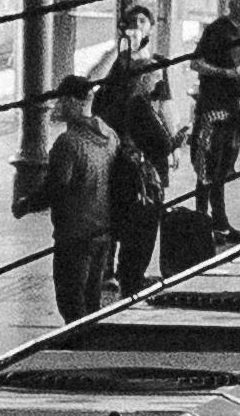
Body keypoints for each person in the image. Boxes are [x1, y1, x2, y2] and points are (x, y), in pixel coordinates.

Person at [35, 75, 117, 326]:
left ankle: (76, 351)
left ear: (72, 102)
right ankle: (90, 351)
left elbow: (56, 188)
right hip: (103, 231)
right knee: (91, 300)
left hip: (74, 234)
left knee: (71, 302)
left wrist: (26, 204)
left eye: (61, 100)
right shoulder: (110, 135)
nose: (57, 106)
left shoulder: (68, 143)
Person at [98, 39, 172, 300]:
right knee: (140, 233)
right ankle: (131, 280)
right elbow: (161, 144)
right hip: (140, 180)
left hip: (125, 174)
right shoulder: (140, 106)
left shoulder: (122, 103)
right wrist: (174, 142)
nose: (158, 83)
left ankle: (124, 275)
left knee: (124, 228)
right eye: (154, 78)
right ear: (144, 79)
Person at [191, 0, 240, 238]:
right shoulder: (217, 29)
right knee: (207, 167)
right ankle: (201, 221)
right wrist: (225, 73)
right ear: (231, 6)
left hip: (231, 108)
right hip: (212, 109)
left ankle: (219, 221)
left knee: (222, 168)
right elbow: (195, 63)